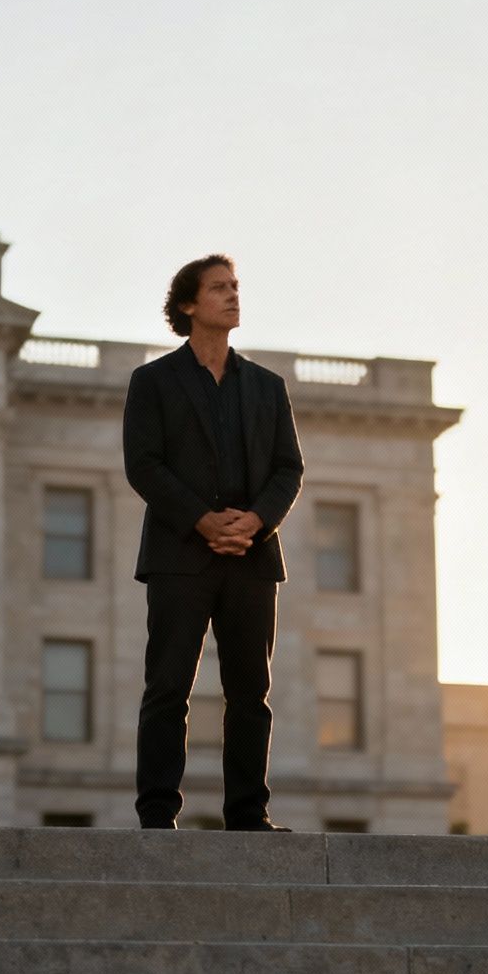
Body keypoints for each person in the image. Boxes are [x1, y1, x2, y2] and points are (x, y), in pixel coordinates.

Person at [122, 254, 304, 831]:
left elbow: (288, 469)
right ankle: (157, 815)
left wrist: (255, 523)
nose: (232, 296)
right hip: (180, 557)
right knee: (167, 688)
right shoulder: (152, 382)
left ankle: (249, 815)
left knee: (251, 694)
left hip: (251, 559)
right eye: (219, 288)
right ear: (187, 305)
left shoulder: (267, 387)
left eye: (236, 287)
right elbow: (143, 465)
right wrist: (202, 521)